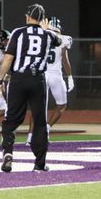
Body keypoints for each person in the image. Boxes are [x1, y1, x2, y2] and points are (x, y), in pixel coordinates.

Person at [0, 3, 61, 172]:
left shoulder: (18, 32)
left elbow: (8, 59)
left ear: (27, 17)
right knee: (40, 122)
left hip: (19, 79)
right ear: (41, 19)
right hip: (38, 81)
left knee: (10, 119)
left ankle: (8, 153)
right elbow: (59, 39)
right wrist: (47, 29)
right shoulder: (48, 35)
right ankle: (39, 162)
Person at [26, 16, 74, 145]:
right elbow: (64, 60)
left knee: (37, 108)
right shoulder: (64, 39)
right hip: (55, 75)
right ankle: (46, 129)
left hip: (40, 75)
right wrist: (69, 76)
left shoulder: (40, 36)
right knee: (61, 105)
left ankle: (30, 137)